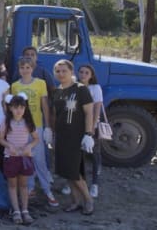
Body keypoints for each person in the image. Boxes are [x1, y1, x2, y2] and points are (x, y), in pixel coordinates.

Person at [11, 57, 59, 207]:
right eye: (22, 68)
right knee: (26, 158)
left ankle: (47, 190)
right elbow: (14, 108)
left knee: (39, 160)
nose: (25, 70)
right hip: (21, 127)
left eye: (28, 67)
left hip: (36, 125)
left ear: (32, 68)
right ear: (19, 70)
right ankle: (30, 187)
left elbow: (44, 105)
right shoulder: (15, 86)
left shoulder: (40, 83)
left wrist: (48, 127)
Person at [52, 59, 95, 215]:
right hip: (62, 136)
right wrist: (51, 132)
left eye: (64, 70)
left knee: (74, 171)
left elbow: (89, 112)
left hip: (76, 136)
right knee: (65, 171)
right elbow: (56, 115)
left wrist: (89, 134)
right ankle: (76, 201)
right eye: (58, 71)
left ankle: (88, 200)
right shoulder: (57, 91)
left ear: (71, 72)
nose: (61, 74)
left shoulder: (80, 89)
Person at [0, 93, 39, 225]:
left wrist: (29, 146)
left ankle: (25, 210)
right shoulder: (5, 122)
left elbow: (36, 139)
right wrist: (9, 145)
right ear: (10, 108)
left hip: (24, 158)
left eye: (21, 107)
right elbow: (0, 139)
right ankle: (16, 211)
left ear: (25, 108)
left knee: (24, 185)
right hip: (11, 157)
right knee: (12, 185)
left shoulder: (28, 122)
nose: (19, 110)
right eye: (15, 107)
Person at [78, 64, 103, 198]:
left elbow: (97, 108)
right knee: (77, 155)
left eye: (86, 73)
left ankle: (94, 184)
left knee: (94, 155)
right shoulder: (75, 87)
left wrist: (92, 127)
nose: (83, 75)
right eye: (81, 72)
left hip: (92, 126)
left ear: (91, 75)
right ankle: (77, 181)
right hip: (77, 126)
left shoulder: (95, 88)